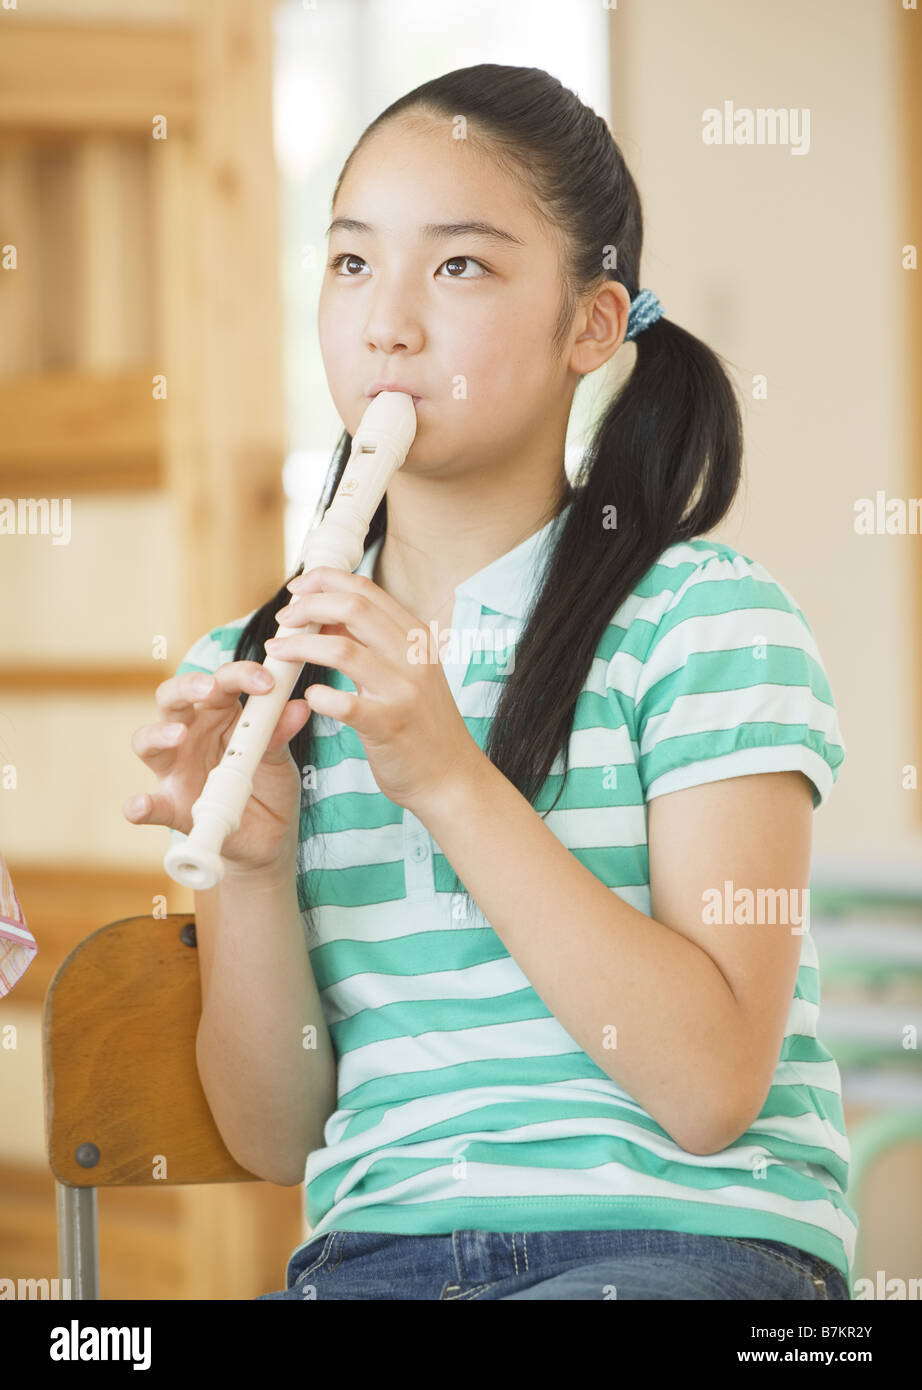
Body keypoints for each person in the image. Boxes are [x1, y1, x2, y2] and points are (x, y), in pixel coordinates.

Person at [125, 64, 854, 1301]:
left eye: (457, 267)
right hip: (369, 1260)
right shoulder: (258, 669)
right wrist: (251, 872)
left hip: (679, 1247)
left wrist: (453, 783)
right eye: (352, 263)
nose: (386, 324)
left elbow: (712, 1086)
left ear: (591, 325)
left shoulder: (704, 621)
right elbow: (273, 1138)